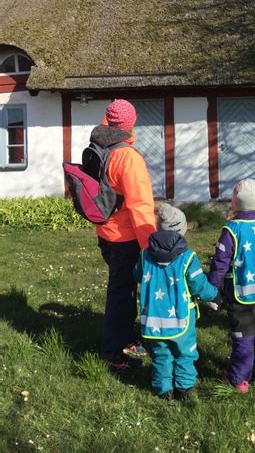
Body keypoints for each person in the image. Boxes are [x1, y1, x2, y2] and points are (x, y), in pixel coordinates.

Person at [91, 99, 156, 370]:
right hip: (126, 237)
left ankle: (128, 338)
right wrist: (150, 245)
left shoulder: (97, 147)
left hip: (105, 233)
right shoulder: (127, 157)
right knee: (120, 293)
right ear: (130, 124)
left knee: (125, 289)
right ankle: (113, 353)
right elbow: (140, 205)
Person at [135, 204, 219, 400]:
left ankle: (163, 389)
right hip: (182, 317)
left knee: (161, 353)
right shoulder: (188, 258)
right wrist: (214, 295)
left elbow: (137, 275)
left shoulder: (144, 255)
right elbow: (199, 285)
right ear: (181, 230)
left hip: (153, 317)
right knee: (185, 352)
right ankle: (184, 387)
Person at [207, 179, 255, 392]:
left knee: (243, 337)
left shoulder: (231, 230)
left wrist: (212, 291)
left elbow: (220, 263)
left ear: (236, 202)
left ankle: (239, 380)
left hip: (242, 295)